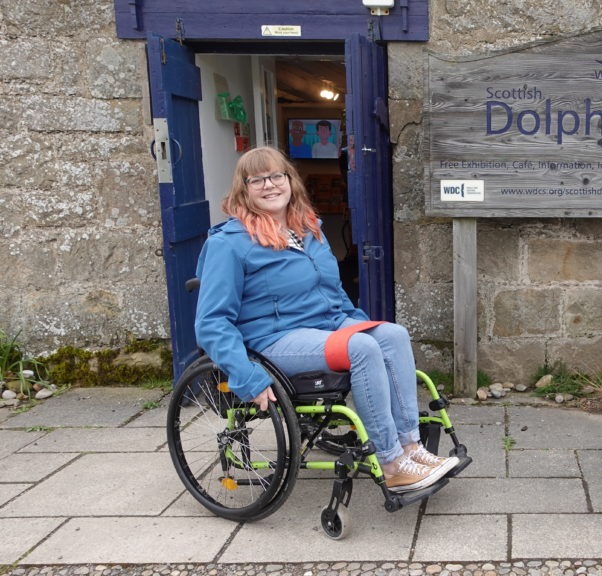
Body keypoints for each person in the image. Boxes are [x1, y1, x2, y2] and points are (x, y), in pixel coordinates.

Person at [194, 146, 458, 493]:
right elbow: (211, 322)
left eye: (277, 176)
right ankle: (392, 463)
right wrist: (247, 377)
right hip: (273, 338)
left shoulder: (306, 229)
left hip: (324, 324)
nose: (270, 185)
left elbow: (330, 291)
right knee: (362, 347)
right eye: (257, 180)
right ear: (244, 189)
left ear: (290, 180)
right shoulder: (229, 244)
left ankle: (411, 447)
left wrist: (357, 322)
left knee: (392, 335)